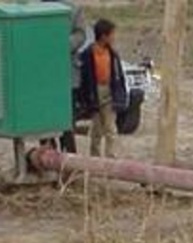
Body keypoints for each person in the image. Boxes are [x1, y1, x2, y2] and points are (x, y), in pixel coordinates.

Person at [79, 19, 128, 158]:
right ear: (103, 36)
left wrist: (120, 93)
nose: (114, 37)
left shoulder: (112, 54)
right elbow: (85, 78)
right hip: (95, 93)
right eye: (112, 34)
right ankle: (95, 157)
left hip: (109, 91)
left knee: (111, 127)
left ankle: (110, 156)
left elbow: (118, 75)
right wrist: (87, 99)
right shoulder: (89, 54)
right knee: (96, 129)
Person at [41, 0, 86, 153]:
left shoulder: (73, 9)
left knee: (66, 122)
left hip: (67, 76)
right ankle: (47, 158)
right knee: (44, 121)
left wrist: (61, 44)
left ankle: (70, 163)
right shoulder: (35, 9)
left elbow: (81, 35)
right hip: (42, 76)